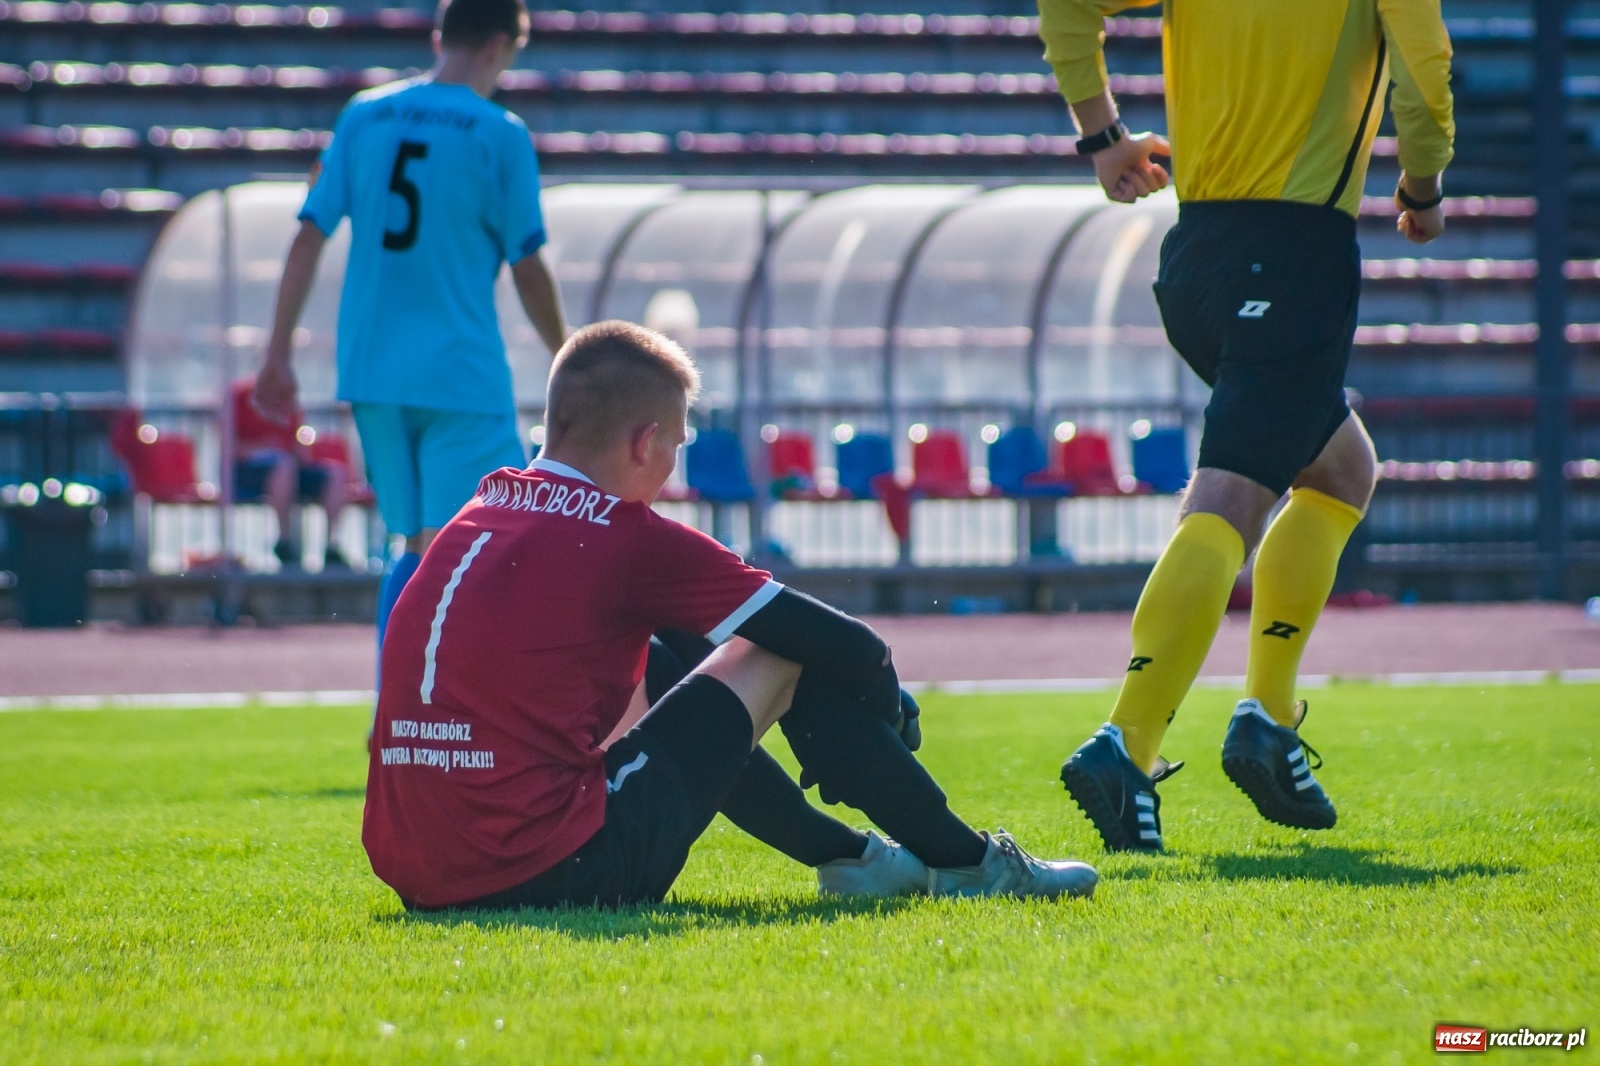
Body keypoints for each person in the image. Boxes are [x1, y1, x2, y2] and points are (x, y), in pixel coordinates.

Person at [362, 321, 1099, 909]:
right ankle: (968, 862)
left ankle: (853, 859)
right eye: (676, 444)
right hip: (548, 871)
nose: (674, 464)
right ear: (646, 441)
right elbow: (851, 646)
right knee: (775, 652)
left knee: (664, 653)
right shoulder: (622, 535)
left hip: (419, 870)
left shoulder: (480, 510)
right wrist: (888, 710)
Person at [1038, 0, 1454, 849]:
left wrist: (1104, 137)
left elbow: (1066, 2)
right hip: (1295, 252)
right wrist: (1423, 184)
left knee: (1341, 471)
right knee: (1230, 493)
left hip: (1195, 259)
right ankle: (1127, 743)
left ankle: (1266, 716)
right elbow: (1425, 73)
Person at [253, 0, 568, 649]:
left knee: (415, 544)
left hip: (373, 371)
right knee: (504, 535)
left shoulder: (365, 114)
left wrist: (277, 352)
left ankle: (393, 712)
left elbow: (309, 235)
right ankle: (464, 711)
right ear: (501, 48)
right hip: (459, 373)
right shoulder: (499, 131)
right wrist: (570, 355)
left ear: (439, 38)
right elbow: (528, 264)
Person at [229, 378, 351, 570]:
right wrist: (263, 448)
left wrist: (300, 452)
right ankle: (285, 541)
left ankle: (332, 545)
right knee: (284, 468)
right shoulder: (238, 396)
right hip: (250, 471)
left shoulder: (287, 398)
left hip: (289, 467)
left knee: (335, 473)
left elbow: (298, 443)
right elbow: (229, 447)